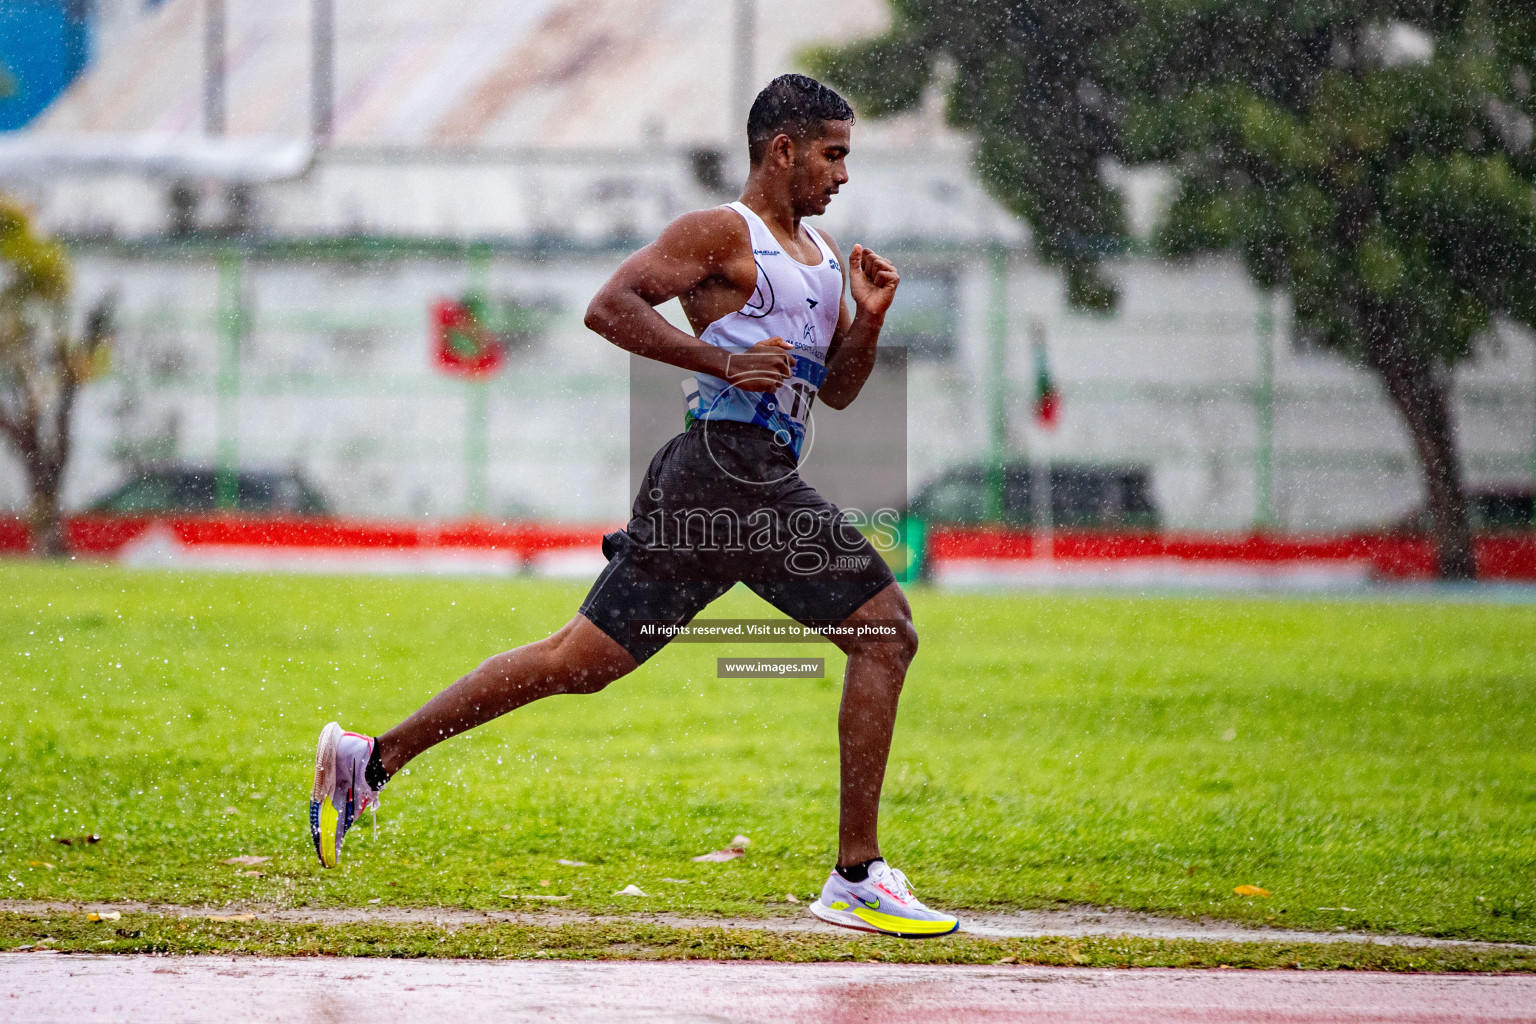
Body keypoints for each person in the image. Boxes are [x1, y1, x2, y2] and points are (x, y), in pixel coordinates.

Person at [308, 74, 958, 939]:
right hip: (730, 469)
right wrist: (720, 363)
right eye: (835, 155)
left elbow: (835, 393)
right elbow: (607, 306)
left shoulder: (828, 261)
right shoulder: (722, 234)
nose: (844, 175)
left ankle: (369, 759)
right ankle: (856, 874)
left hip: (715, 481)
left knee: (578, 659)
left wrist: (869, 319)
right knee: (887, 632)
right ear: (784, 151)